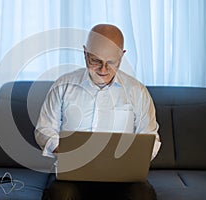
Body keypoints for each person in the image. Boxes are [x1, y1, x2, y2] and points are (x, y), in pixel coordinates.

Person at [34, 24, 161, 200]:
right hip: (73, 176)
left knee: (143, 195)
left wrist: (135, 157)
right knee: (61, 195)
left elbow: (151, 137)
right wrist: (65, 150)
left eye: (111, 62)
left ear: (122, 56)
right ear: (85, 53)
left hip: (122, 178)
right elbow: (43, 129)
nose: (103, 70)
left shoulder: (137, 92)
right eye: (95, 60)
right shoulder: (63, 86)